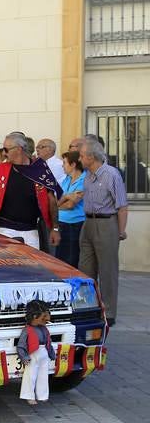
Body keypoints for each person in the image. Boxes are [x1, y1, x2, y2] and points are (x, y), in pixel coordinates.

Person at [78, 138, 128, 326]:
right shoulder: (88, 176)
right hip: (88, 223)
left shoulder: (111, 174)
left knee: (107, 269)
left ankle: (109, 311)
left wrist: (121, 231)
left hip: (107, 223)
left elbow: (122, 206)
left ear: (91, 157)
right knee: (85, 268)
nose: (80, 159)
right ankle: (87, 307)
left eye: (82, 156)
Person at [0, 133, 61, 250]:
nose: (4, 153)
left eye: (6, 149)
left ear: (19, 149)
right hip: (5, 229)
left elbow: (51, 200)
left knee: (31, 267)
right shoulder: (1, 169)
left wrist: (55, 228)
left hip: (31, 230)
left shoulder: (39, 169)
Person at [17, 300, 55, 405]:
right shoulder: (27, 330)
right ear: (34, 316)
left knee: (43, 375)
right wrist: (24, 357)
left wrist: (51, 353)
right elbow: (21, 345)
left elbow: (49, 342)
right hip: (33, 354)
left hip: (44, 353)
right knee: (30, 375)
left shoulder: (44, 329)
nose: (46, 319)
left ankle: (42, 395)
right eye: (43, 317)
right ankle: (28, 395)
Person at [56, 151, 86, 268]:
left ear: (73, 164)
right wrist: (67, 196)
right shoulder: (66, 179)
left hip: (75, 225)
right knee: (60, 258)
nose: (62, 166)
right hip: (61, 223)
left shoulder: (83, 180)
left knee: (71, 258)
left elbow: (70, 205)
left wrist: (58, 205)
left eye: (64, 163)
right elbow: (59, 200)